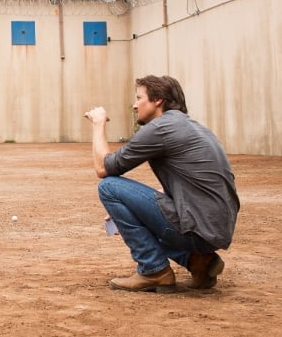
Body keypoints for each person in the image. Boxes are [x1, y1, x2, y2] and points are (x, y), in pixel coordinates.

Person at [84, 75, 239, 293]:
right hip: (215, 228)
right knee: (129, 202)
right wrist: (133, 209)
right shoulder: (195, 128)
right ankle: (198, 261)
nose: (135, 105)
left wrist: (98, 124)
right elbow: (196, 182)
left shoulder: (161, 128)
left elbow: (103, 168)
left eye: (139, 98)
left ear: (158, 100)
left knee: (109, 187)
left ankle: (154, 270)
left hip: (198, 230)